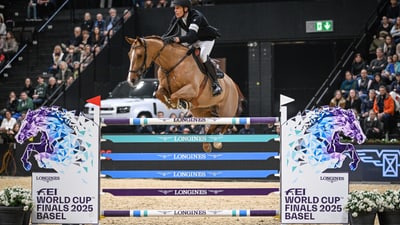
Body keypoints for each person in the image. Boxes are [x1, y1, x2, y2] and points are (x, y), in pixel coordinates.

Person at [162, 0, 222, 96]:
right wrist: (161, 40)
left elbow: (191, 37)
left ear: (185, 9)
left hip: (206, 39)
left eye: (177, 8)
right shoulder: (177, 18)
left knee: (202, 56)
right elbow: (168, 33)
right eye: (174, 8)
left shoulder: (196, 17)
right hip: (195, 40)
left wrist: (177, 39)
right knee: (183, 53)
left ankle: (216, 84)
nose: (175, 10)